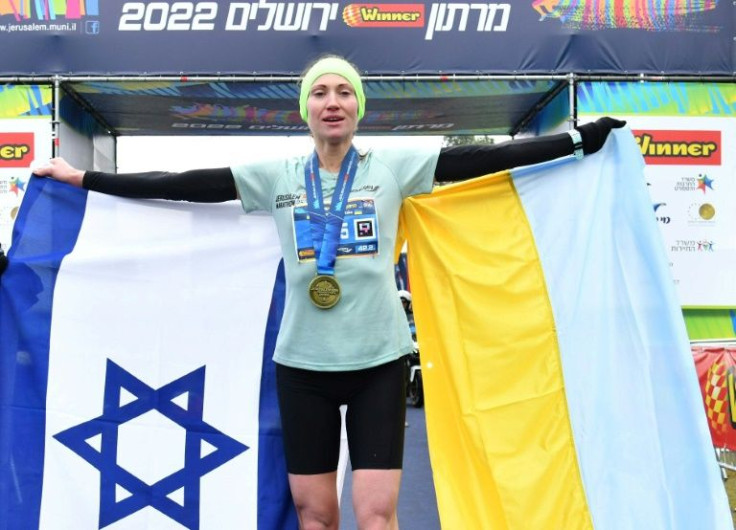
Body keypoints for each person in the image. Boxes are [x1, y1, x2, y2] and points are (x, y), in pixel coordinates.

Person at [33, 54, 624, 530]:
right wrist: (85, 179)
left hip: (378, 365)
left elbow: (479, 159)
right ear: (306, 110)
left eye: (344, 92)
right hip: (302, 368)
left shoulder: (391, 167)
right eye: (320, 93)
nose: (332, 102)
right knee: (317, 516)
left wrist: (577, 141)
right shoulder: (278, 178)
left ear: (357, 108)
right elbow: (185, 185)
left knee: (375, 515)